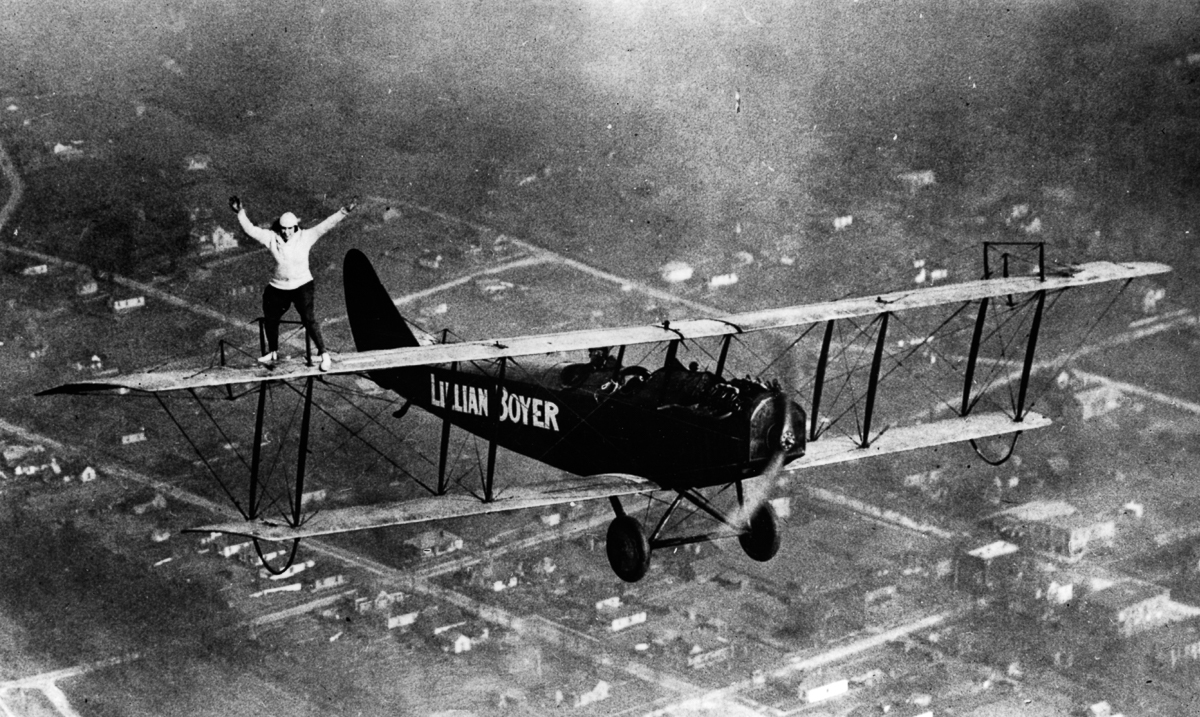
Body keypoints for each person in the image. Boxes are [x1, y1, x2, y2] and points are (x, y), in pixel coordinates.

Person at [229, 195, 357, 371]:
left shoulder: (306, 236)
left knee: (308, 319)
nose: (286, 232)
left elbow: (326, 225)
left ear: (295, 227)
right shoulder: (271, 238)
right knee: (270, 319)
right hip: (278, 286)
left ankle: (323, 355)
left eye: (290, 228)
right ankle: (273, 352)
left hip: (302, 285)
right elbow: (250, 230)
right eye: (283, 229)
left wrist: (344, 211)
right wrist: (240, 212)